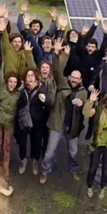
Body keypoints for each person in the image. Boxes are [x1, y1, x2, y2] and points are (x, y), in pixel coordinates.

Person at [40, 40, 89, 184]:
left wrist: (82, 105)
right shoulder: (63, 82)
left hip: (72, 127)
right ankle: (45, 172)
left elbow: (87, 110)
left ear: (80, 80)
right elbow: (56, 69)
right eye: (72, 77)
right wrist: (56, 54)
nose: (74, 80)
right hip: (57, 124)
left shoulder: (83, 92)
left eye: (77, 78)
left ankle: (73, 170)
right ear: (69, 77)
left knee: (73, 151)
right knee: (49, 152)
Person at [0, 53, 22, 179]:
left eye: (14, 82)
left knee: (7, 145)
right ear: (7, 82)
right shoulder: (1, 88)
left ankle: (6, 165)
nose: (12, 84)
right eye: (10, 81)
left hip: (9, 122)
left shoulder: (18, 94)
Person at [14, 68, 50, 175]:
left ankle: (35, 161)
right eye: (27, 75)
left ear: (36, 79)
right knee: (22, 142)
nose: (29, 78)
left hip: (37, 121)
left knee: (37, 143)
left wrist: (44, 100)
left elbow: (48, 103)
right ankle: (23, 160)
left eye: (31, 76)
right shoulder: (22, 89)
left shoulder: (41, 89)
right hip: (24, 120)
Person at [0, 7, 33, 77]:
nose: (17, 43)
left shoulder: (24, 53)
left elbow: (32, 68)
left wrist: (28, 53)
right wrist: (2, 18)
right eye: (15, 41)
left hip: (21, 81)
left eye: (19, 42)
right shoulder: (8, 50)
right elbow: (4, 36)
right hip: (9, 80)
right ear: (11, 42)